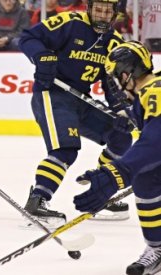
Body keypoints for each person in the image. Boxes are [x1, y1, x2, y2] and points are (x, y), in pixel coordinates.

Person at [19, 0, 134, 226]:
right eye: (97, 9)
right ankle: (38, 199)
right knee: (66, 149)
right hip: (53, 94)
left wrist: (122, 110)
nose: (101, 15)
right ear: (89, 8)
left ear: (114, 14)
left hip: (82, 100)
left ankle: (103, 189)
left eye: (106, 11)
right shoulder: (69, 22)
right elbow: (27, 37)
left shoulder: (114, 42)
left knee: (121, 136)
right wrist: (42, 56)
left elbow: (112, 84)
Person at [74, 41, 161, 275]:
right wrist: (131, 117)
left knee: (144, 172)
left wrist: (118, 173)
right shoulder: (151, 89)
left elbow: (155, 141)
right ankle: (158, 248)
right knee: (146, 177)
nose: (116, 85)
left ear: (125, 74)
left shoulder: (154, 91)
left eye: (115, 78)